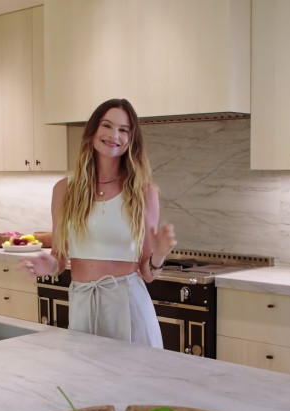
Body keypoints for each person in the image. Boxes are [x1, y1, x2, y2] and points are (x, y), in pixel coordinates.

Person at [22, 98, 176, 348]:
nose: (114, 135)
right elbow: (59, 259)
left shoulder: (144, 193)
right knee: (84, 384)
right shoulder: (64, 190)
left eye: (124, 130)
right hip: (83, 304)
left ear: (131, 138)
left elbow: (148, 273)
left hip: (127, 306)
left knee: (131, 385)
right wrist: (47, 264)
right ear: (93, 131)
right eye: (107, 125)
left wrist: (158, 253)